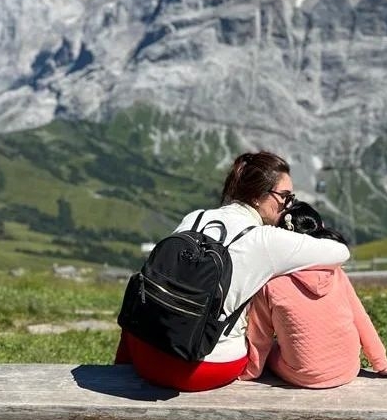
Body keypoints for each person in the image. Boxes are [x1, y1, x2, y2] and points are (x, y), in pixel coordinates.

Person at [115, 151, 350, 394]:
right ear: (257, 196)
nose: (287, 205)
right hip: (197, 369)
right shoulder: (266, 240)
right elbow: (340, 252)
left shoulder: (196, 217)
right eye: (284, 196)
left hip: (144, 354)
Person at [240, 200, 387, 420]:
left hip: (304, 375)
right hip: (347, 369)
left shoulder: (271, 284)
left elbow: (259, 338)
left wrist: (250, 373)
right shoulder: (337, 273)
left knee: (277, 350)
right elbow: (361, 319)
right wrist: (382, 364)